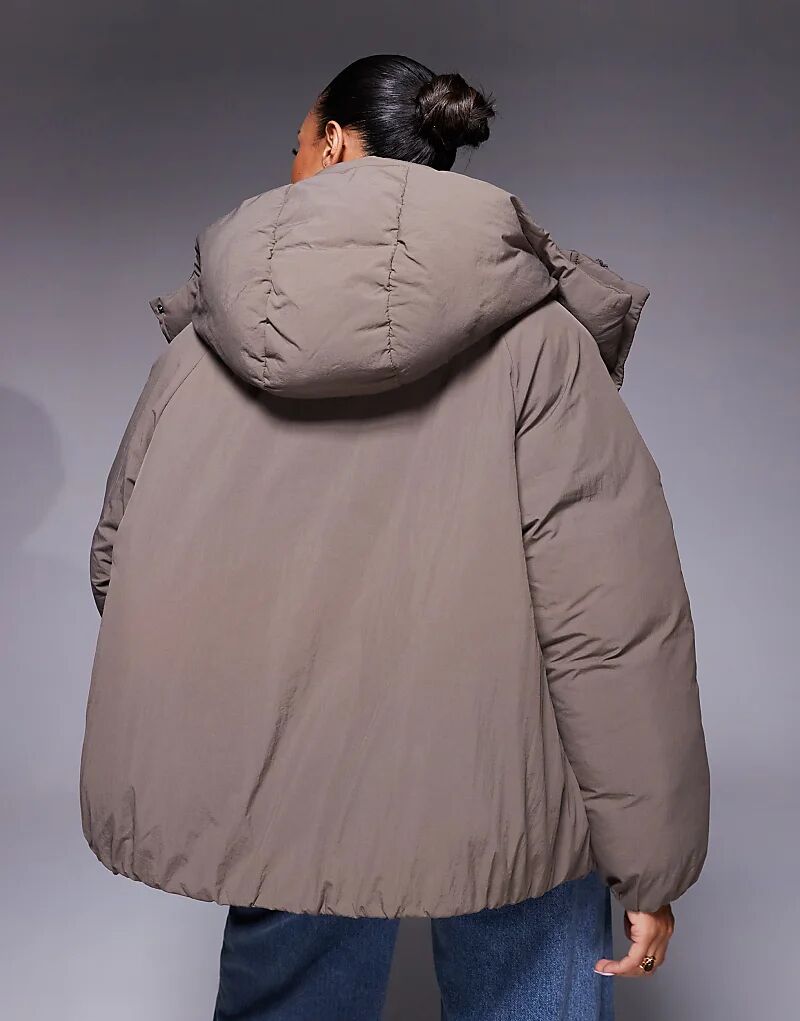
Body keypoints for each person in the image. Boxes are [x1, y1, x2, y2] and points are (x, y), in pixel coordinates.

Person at [79, 54, 710, 1020]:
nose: (293, 163)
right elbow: (612, 616)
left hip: (286, 793)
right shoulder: (539, 342)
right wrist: (649, 860)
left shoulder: (202, 352)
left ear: (334, 142)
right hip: (501, 793)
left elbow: (120, 568)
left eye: (297, 145)